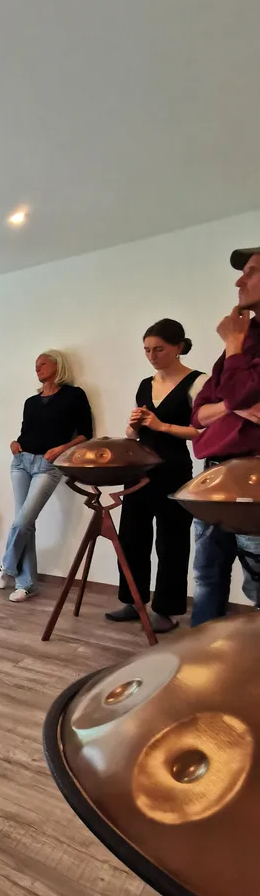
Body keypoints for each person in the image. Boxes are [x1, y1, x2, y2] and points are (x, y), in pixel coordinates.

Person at [105, 320, 205, 632]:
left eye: (159, 349)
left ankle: (167, 609)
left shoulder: (197, 382)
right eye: (147, 350)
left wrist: (161, 426)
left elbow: (203, 431)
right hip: (139, 469)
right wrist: (134, 425)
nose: (152, 355)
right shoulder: (144, 384)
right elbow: (131, 434)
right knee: (132, 537)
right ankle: (132, 601)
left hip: (174, 469)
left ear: (178, 347)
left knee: (171, 540)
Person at [189, 246, 260, 626]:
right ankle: (203, 668)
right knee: (206, 577)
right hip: (214, 478)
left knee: (258, 587)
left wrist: (232, 344)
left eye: (250, 271)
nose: (239, 281)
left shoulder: (238, 341)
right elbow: (199, 413)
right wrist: (236, 405)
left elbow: (232, 395)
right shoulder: (245, 341)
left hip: (255, 480)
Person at [0, 351, 93, 602]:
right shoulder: (31, 401)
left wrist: (61, 449)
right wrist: (14, 444)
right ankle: (26, 584)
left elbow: (85, 433)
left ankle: (7, 565)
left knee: (22, 521)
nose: (37, 368)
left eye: (42, 363)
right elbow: (26, 433)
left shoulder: (74, 395)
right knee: (24, 522)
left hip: (48, 465)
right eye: (35, 365)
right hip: (20, 462)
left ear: (57, 365)